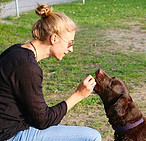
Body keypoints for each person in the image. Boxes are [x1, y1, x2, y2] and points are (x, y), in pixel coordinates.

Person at [0, 4, 101, 141]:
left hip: (10, 127)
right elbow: (43, 121)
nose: (71, 49)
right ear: (54, 39)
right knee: (92, 137)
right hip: (10, 135)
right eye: (70, 44)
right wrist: (78, 95)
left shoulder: (16, 51)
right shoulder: (28, 68)